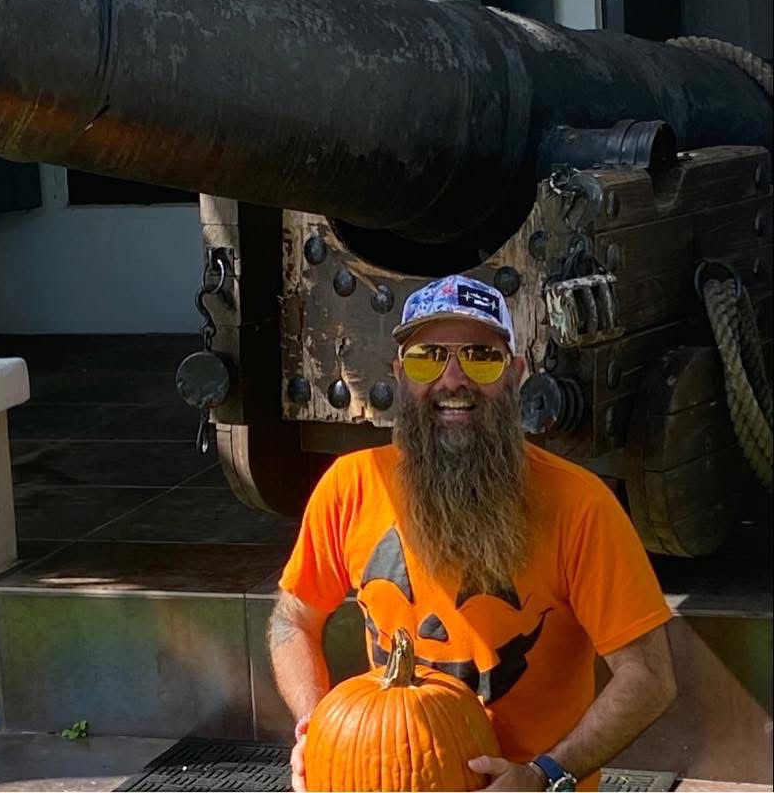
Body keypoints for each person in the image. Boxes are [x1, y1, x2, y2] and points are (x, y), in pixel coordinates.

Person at [269, 274, 677, 792]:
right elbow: (292, 620)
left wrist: (546, 774)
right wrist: (318, 727)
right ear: (399, 375)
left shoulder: (580, 505)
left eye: (482, 357)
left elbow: (649, 678)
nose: (453, 379)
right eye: (427, 357)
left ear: (516, 374)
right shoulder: (352, 486)